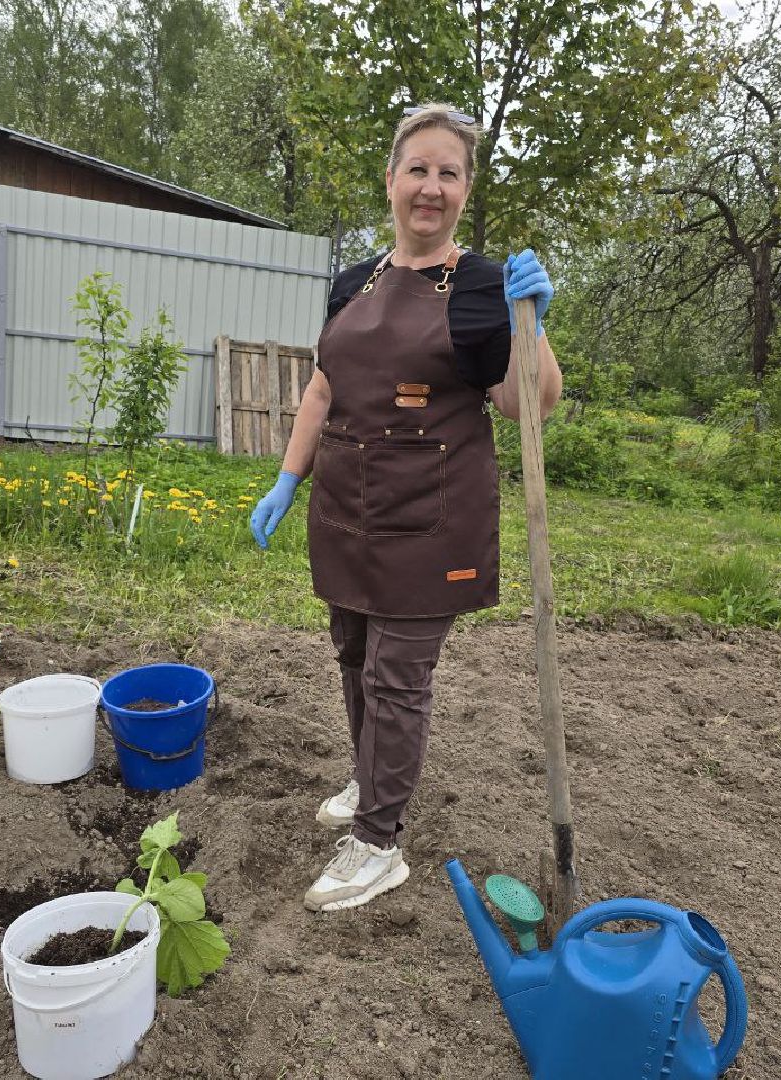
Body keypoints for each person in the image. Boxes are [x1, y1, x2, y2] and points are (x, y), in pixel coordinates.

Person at [250, 103, 562, 913]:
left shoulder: (488, 286)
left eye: (448, 173)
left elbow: (528, 403)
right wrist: (287, 479)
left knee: (396, 678)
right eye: (417, 169)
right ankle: (368, 776)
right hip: (345, 510)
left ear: (465, 189)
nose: (431, 187)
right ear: (391, 182)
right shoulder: (354, 281)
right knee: (353, 656)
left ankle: (379, 843)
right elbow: (326, 386)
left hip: (433, 519)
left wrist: (534, 326)